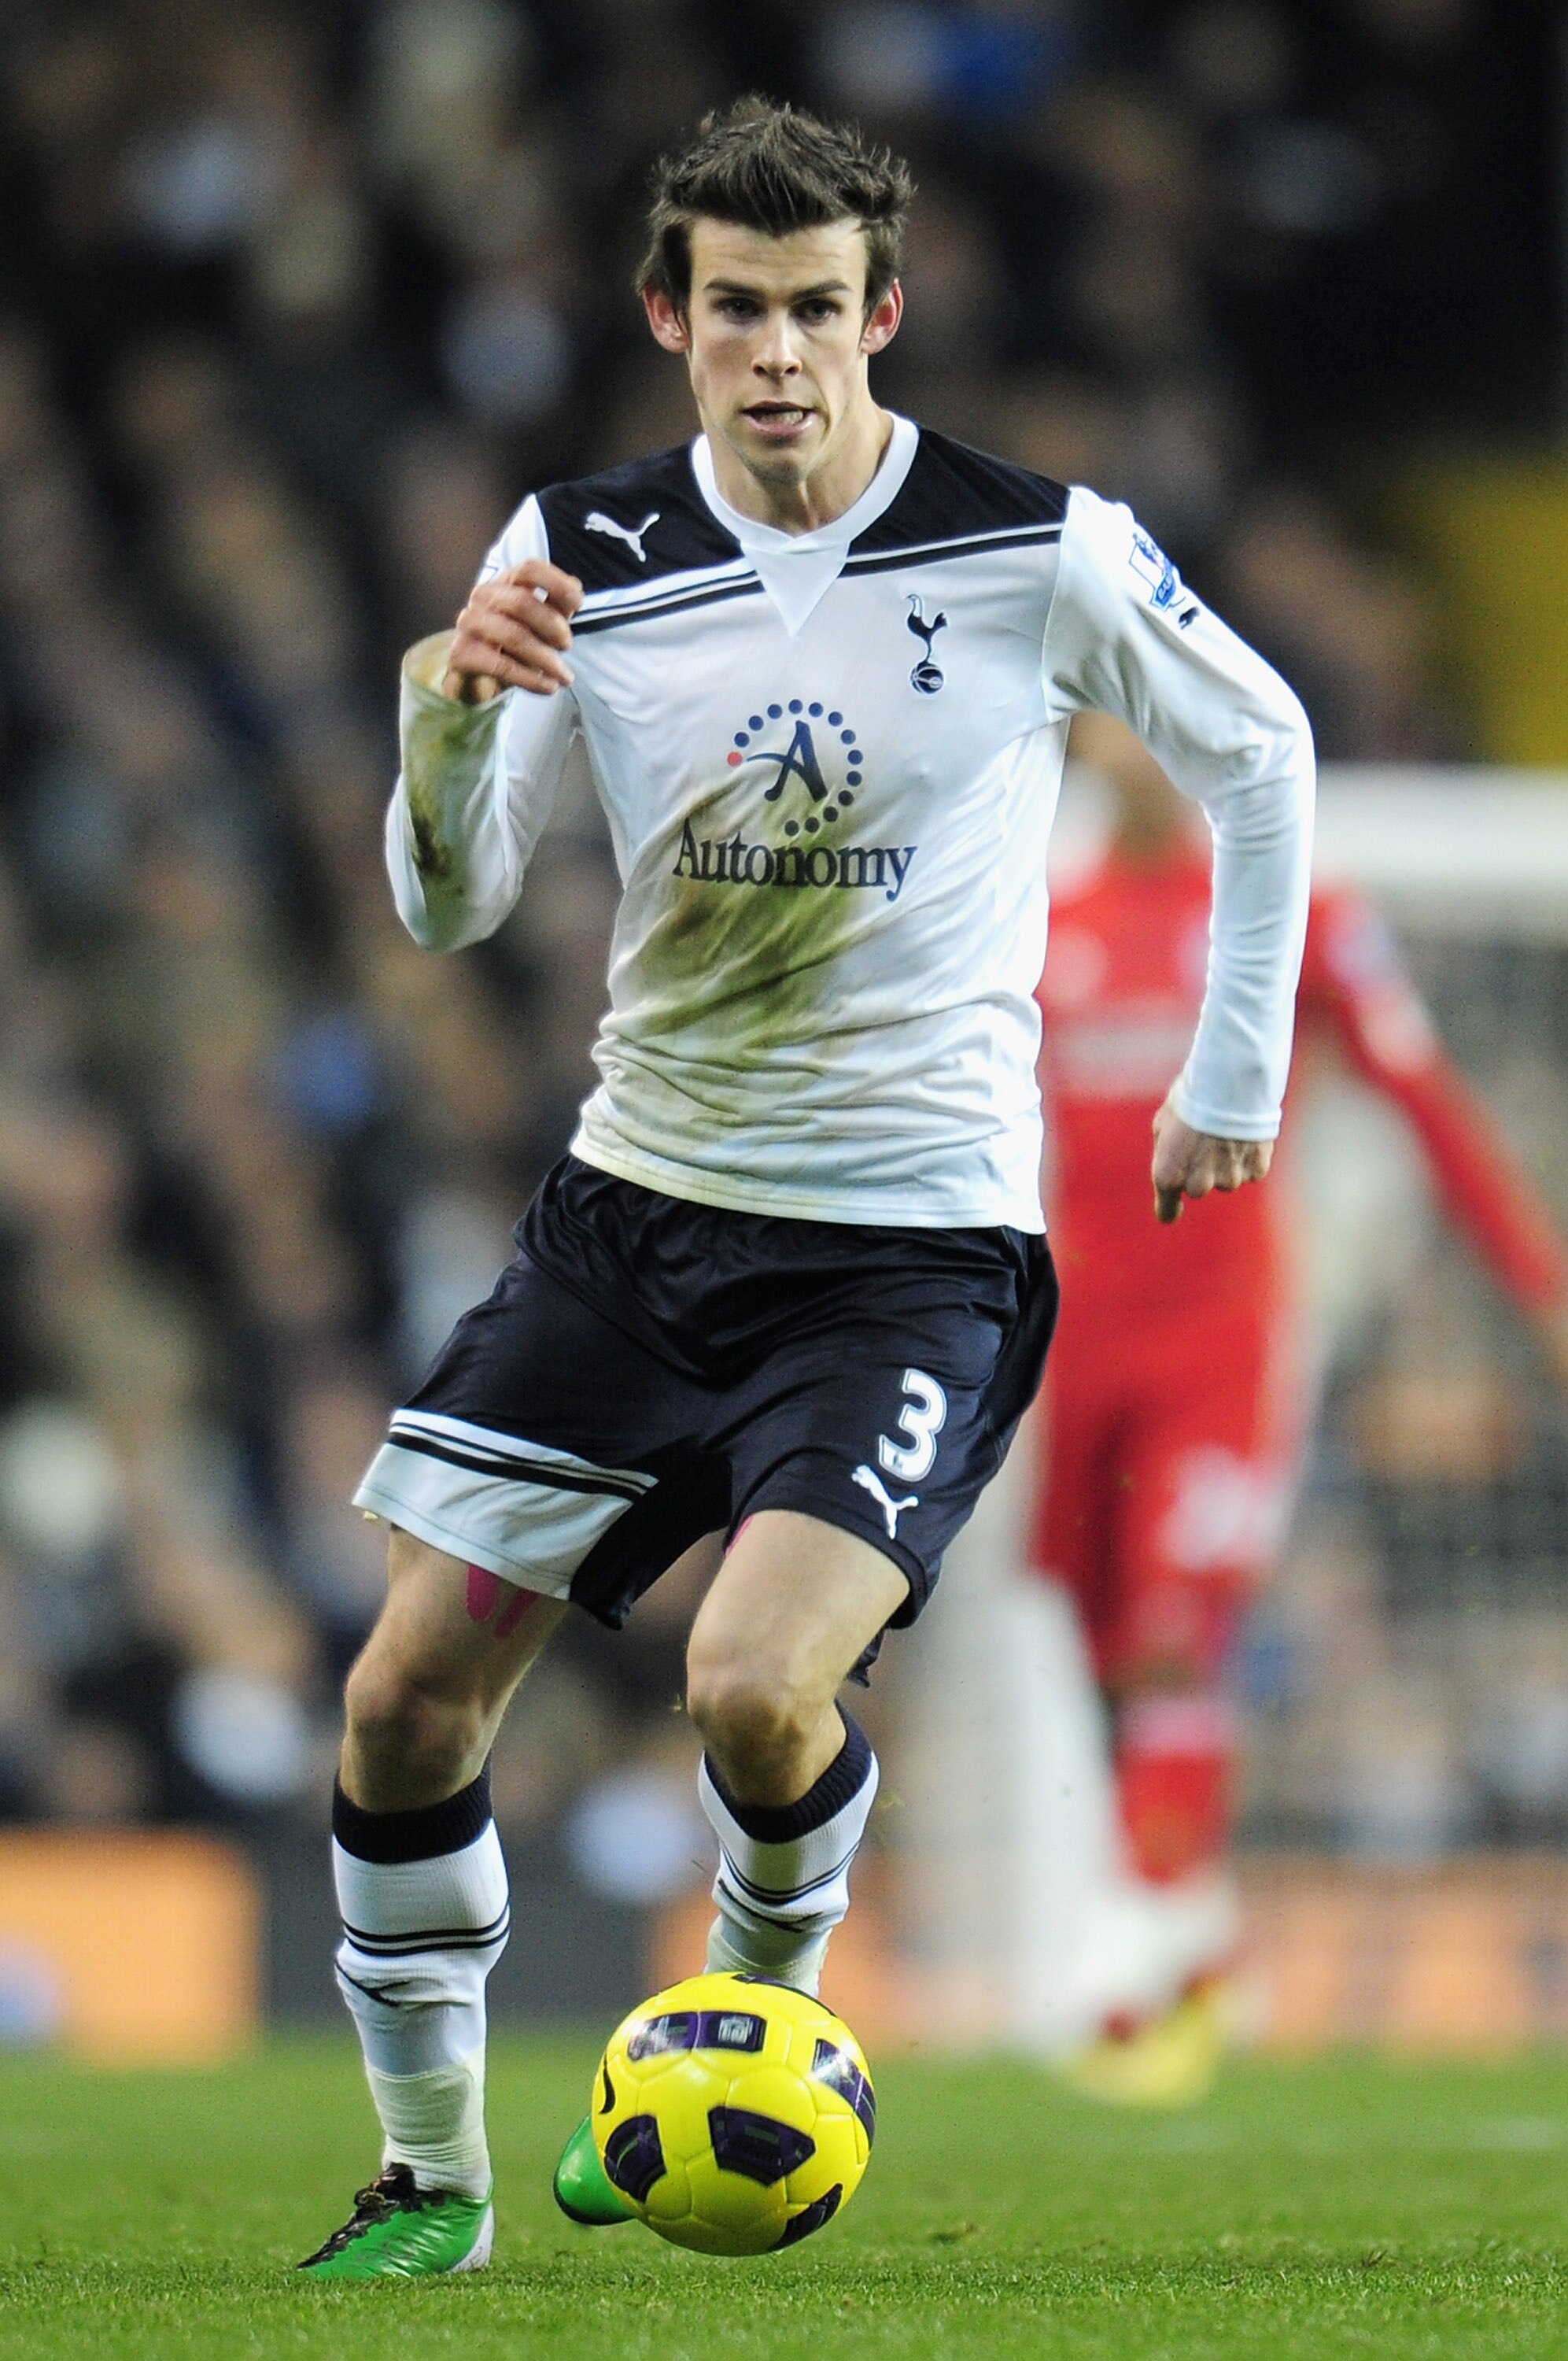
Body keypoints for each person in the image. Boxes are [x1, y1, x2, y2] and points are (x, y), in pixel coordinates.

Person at [297, 98, 1315, 2278]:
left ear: (884, 316)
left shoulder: (1032, 545)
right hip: (632, 1225)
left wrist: (1231, 1069)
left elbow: (1260, 749)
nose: (780, 351)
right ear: (669, 318)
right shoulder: (577, 545)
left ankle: (752, 2024)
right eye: (739, 307)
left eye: (819, 309)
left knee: (755, 1690)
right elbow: (450, 908)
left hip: (909, 1255)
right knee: (396, 1703)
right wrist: (446, 728)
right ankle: (429, 2182)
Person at [1027, 711, 1568, 2103]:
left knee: (1174, 1628)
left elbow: (1424, 1099)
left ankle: (1132, 1944)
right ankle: (1201, 1937)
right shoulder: (1042, 923)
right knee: (1103, 1650)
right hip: (1078, 1345)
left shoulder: (1291, 915)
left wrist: (1541, 1287)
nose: (1138, 742)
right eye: (1115, 717)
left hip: (1227, 1339)